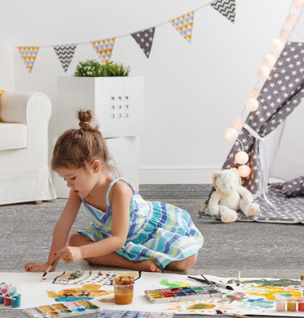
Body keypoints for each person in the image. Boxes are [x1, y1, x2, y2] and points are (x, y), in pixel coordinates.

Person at [25, 110, 203, 273]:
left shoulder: (119, 190)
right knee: (75, 241)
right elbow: (63, 225)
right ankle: (134, 264)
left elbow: (119, 238)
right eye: (65, 179)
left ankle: (137, 256)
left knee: (186, 261)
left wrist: (81, 252)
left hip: (139, 233)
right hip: (111, 235)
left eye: (72, 178)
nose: (69, 185)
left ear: (95, 167)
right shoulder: (78, 191)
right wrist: (49, 264)